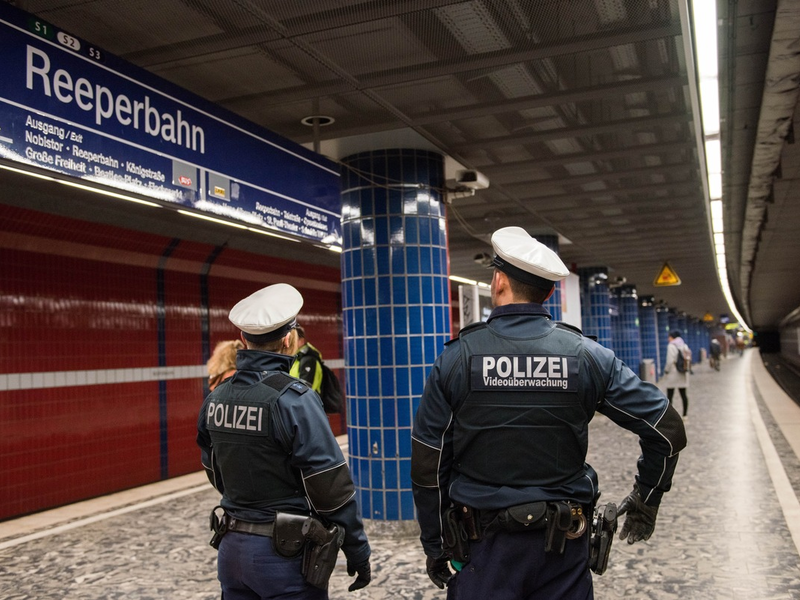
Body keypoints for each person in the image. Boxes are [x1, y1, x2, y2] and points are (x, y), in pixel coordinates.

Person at [411, 227, 687, 600]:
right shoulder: (588, 356)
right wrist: (646, 497)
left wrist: (435, 542)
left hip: (481, 551)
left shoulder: (457, 359)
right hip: (564, 548)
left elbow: (429, 466)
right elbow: (667, 430)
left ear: (499, 282)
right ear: (550, 292)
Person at [197, 283, 371, 599]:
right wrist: (357, 548)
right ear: (289, 340)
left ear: (242, 341)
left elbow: (214, 470)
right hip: (284, 556)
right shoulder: (294, 399)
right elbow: (330, 487)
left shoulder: (215, 399)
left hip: (231, 548)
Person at [663, 330, 690, 417]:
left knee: (670, 395)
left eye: (669, 336)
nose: (668, 338)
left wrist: (666, 370)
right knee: (683, 394)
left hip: (673, 373)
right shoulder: (684, 345)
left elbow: (670, 360)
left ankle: (670, 416)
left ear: (672, 337)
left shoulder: (671, 346)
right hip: (682, 372)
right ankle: (685, 415)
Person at [290, 325, 323, 394]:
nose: (289, 342)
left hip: (306, 402)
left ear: (301, 341)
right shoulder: (297, 357)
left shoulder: (308, 360)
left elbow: (305, 389)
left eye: (293, 339)